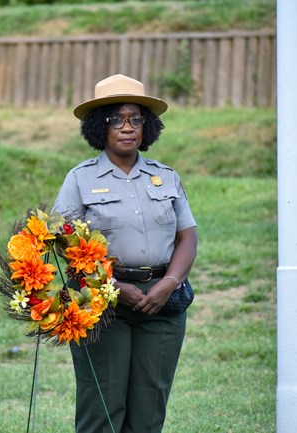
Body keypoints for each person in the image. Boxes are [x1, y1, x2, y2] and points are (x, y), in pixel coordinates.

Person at [53, 74, 197, 433]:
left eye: (136, 119)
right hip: (104, 308)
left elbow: (187, 237)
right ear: (98, 127)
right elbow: (64, 244)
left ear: (147, 127)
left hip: (162, 303)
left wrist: (170, 283)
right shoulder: (79, 179)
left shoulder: (165, 177)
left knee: (149, 412)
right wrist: (113, 287)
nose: (127, 127)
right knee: (102, 405)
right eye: (116, 119)